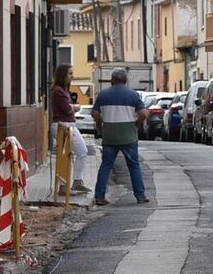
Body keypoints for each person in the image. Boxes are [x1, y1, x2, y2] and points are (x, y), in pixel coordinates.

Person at [91, 69, 150, 205]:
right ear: (125, 80)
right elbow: (143, 114)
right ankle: (140, 195)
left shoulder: (103, 95)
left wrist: (103, 119)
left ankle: (99, 196)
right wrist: (136, 122)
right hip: (128, 135)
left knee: (106, 165)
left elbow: (94, 113)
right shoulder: (133, 94)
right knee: (134, 165)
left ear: (112, 79)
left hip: (110, 135)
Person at [50, 64, 90, 194]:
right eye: (70, 74)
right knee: (74, 153)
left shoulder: (63, 90)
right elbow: (67, 110)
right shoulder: (58, 91)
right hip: (64, 125)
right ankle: (68, 184)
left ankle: (74, 182)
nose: (72, 76)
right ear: (62, 75)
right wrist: (75, 107)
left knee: (71, 154)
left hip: (67, 125)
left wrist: (71, 106)